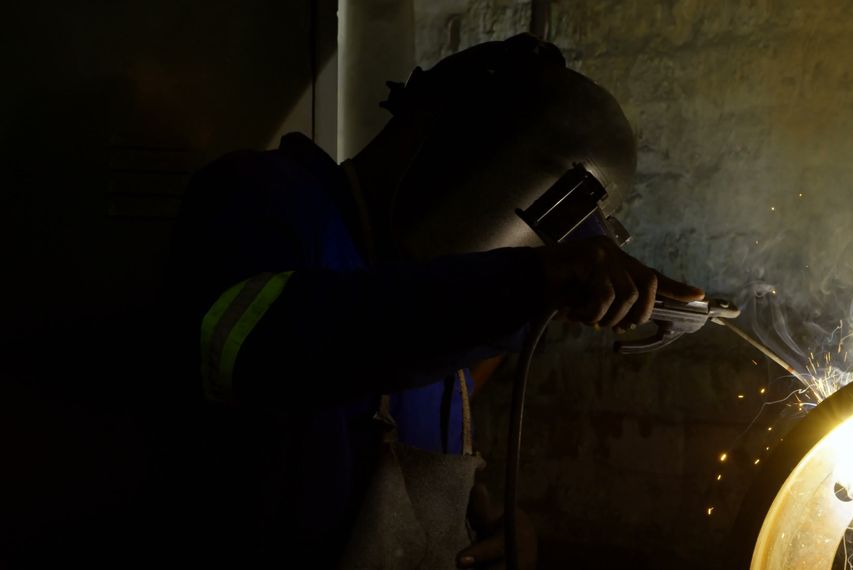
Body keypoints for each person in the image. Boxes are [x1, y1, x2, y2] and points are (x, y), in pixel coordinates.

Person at [166, 34, 703, 569]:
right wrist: (523, 283)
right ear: (438, 134)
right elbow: (272, 350)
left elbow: (399, 437)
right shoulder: (261, 196)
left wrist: (491, 524)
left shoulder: (439, 302)